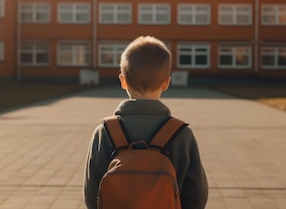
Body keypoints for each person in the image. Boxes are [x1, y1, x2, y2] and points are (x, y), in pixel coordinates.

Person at [83, 36, 208, 209]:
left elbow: (91, 193)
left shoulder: (105, 131)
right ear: (166, 83)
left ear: (123, 80)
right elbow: (197, 194)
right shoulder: (181, 133)